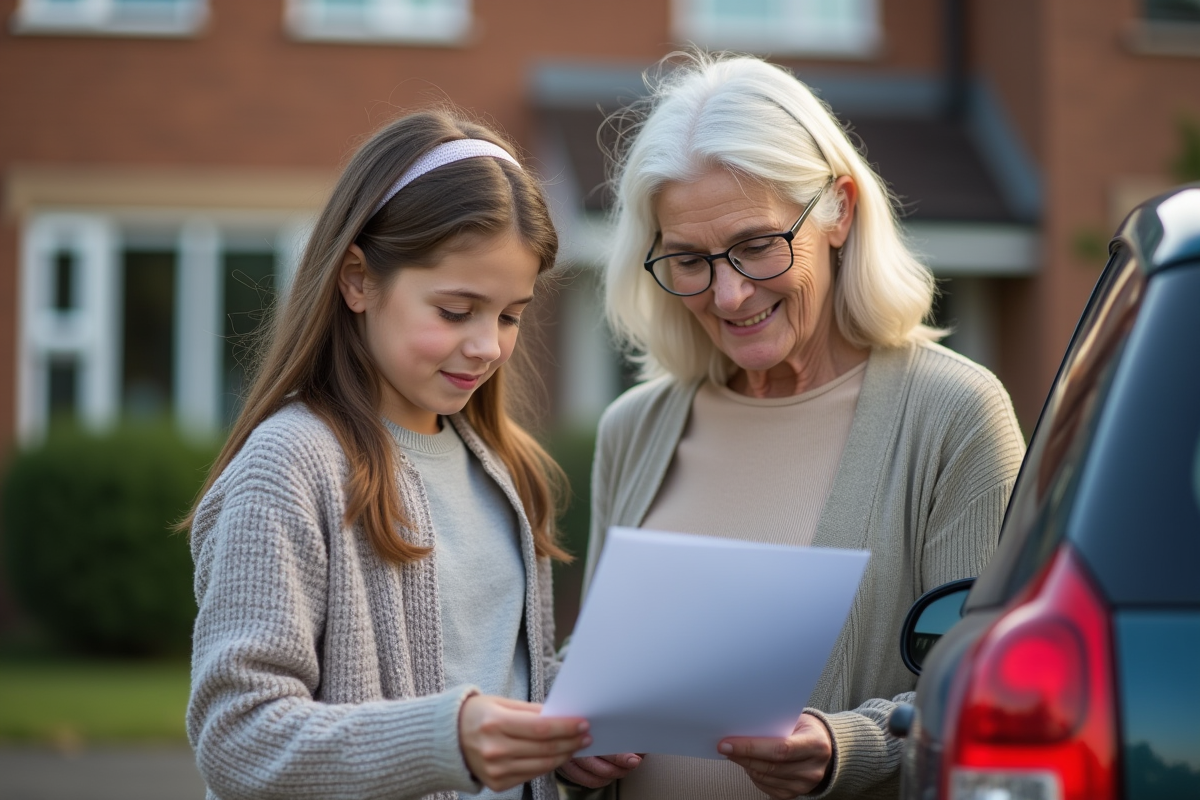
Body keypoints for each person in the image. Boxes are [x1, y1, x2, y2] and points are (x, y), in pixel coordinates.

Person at [558, 53, 1026, 800]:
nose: (729, 294)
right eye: (689, 260)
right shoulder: (635, 428)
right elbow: (601, 665)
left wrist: (844, 749)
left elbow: (984, 692)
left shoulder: (954, 415)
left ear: (839, 210)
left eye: (756, 246)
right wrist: (570, 735)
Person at [184, 110, 592, 800]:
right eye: (456, 311)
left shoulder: (508, 470)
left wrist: (567, 741)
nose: (487, 346)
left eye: (510, 315)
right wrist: (444, 740)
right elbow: (238, 735)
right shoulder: (290, 465)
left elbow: (501, 676)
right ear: (357, 280)